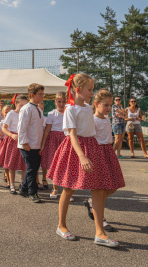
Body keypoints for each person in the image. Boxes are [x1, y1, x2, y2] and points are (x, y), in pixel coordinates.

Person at [47, 74, 122, 248]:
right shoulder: (70, 109)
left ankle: (99, 233)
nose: (92, 92)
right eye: (89, 89)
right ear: (78, 90)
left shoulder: (88, 108)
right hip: (76, 149)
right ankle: (61, 225)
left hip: (92, 147)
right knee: (68, 188)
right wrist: (81, 156)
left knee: (98, 188)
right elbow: (72, 135)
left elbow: (93, 129)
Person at [83, 89, 126, 234]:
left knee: (113, 186)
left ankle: (90, 202)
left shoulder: (107, 118)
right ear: (96, 104)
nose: (108, 108)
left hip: (108, 153)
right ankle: (101, 220)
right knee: (100, 190)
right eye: (105, 105)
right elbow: (88, 139)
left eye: (110, 105)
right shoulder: (92, 120)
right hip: (98, 154)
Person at [40, 92, 73, 200]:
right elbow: (47, 130)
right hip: (53, 141)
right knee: (54, 165)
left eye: (64, 101)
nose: (61, 104)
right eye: (59, 101)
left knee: (66, 165)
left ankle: (66, 190)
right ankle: (54, 188)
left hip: (66, 139)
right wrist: (43, 144)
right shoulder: (51, 114)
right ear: (55, 102)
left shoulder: (69, 112)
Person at [17, 83, 45, 203]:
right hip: (28, 145)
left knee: (33, 168)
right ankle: (32, 192)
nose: (42, 96)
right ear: (32, 95)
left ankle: (23, 189)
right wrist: (24, 142)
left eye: (43, 94)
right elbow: (22, 127)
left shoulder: (38, 108)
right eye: (40, 94)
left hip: (36, 144)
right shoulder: (26, 108)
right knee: (32, 169)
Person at [0, 95, 28, 194]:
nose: (23, 107)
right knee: (11, 163)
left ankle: (23, 184)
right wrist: (11, 135)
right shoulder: (11, 113)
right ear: (15, 104)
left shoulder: (27, 113)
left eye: (25, 105)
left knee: (24, 163)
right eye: (21, 105)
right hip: (12, 140)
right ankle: (12, 184)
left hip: (23, 139)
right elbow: (4, 128)